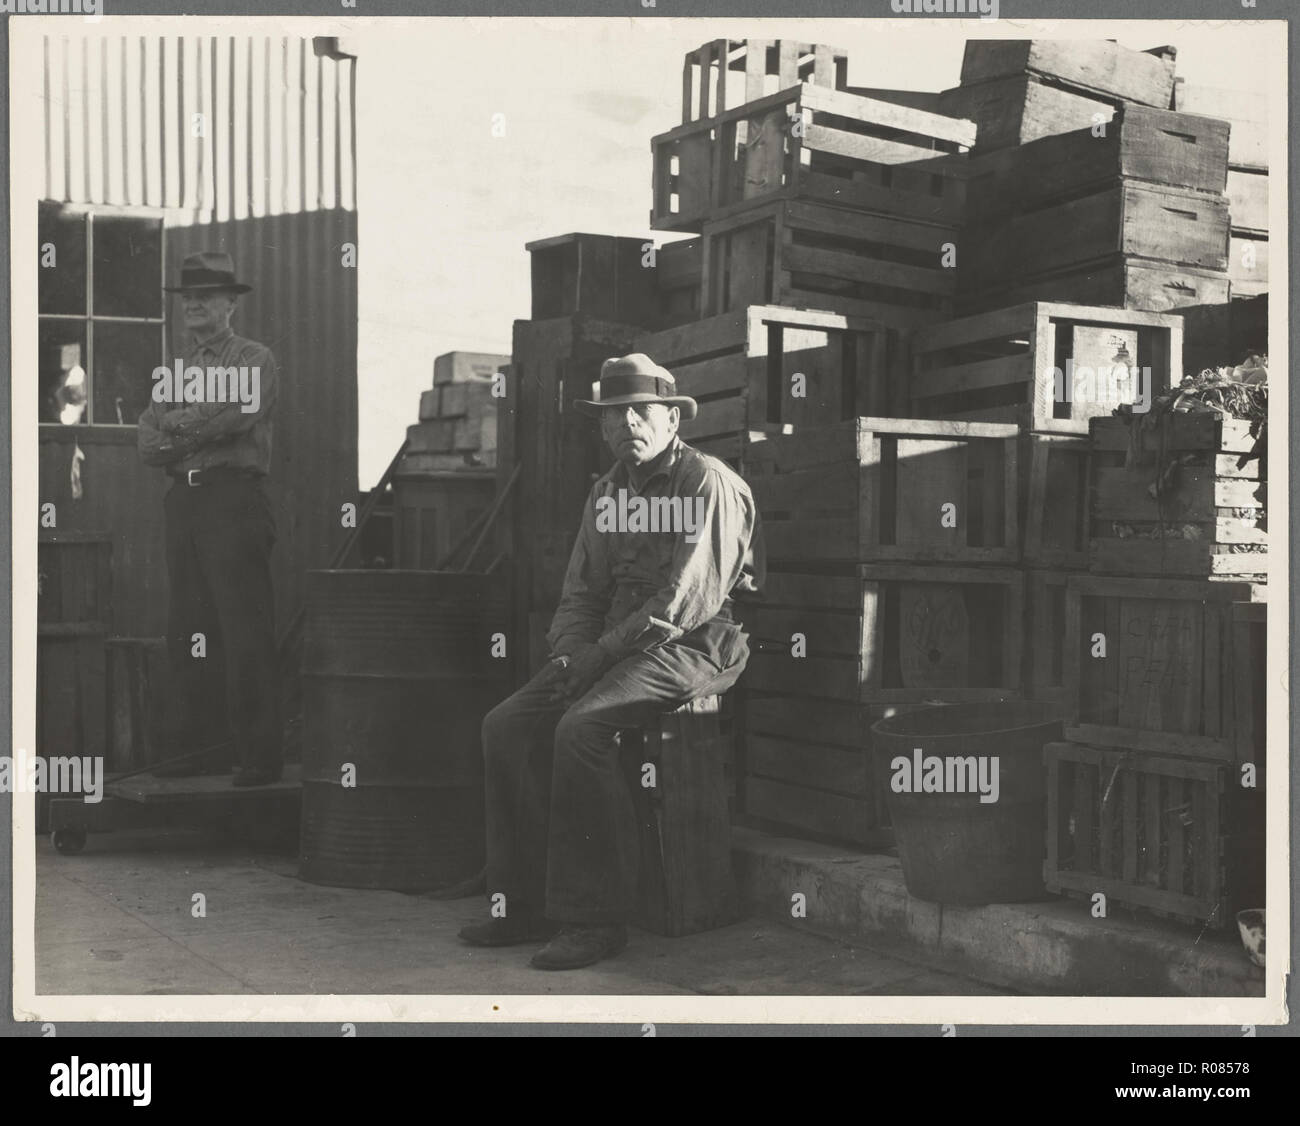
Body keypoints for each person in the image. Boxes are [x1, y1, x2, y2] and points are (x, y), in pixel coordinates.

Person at [460, 352, 764, 970]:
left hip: (696, 640)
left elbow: (682, 600)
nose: (628, 423)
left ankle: (595, 920)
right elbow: (581, 592)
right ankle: (521, 903)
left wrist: (595, 659)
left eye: (642, 410)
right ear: (601, 428)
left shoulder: (706, 483)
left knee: (582, 729)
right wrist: (570, 655)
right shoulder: (607, 493)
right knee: (506, 725)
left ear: (672, 419)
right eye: (615, 414)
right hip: (614, 641)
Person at [136, 251, 282, 787]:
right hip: (187, 503)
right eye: (186, 297)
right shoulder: (176, 370)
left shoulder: (253, 359)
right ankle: (205, 752)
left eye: (205, 295)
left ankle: (259, 759)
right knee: (191, 629)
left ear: (231, 304)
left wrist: (179, 424)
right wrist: (193, 424)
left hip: (232, 501)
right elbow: (147, 443)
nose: (193, 304)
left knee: (243, 627)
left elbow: (235, 414)